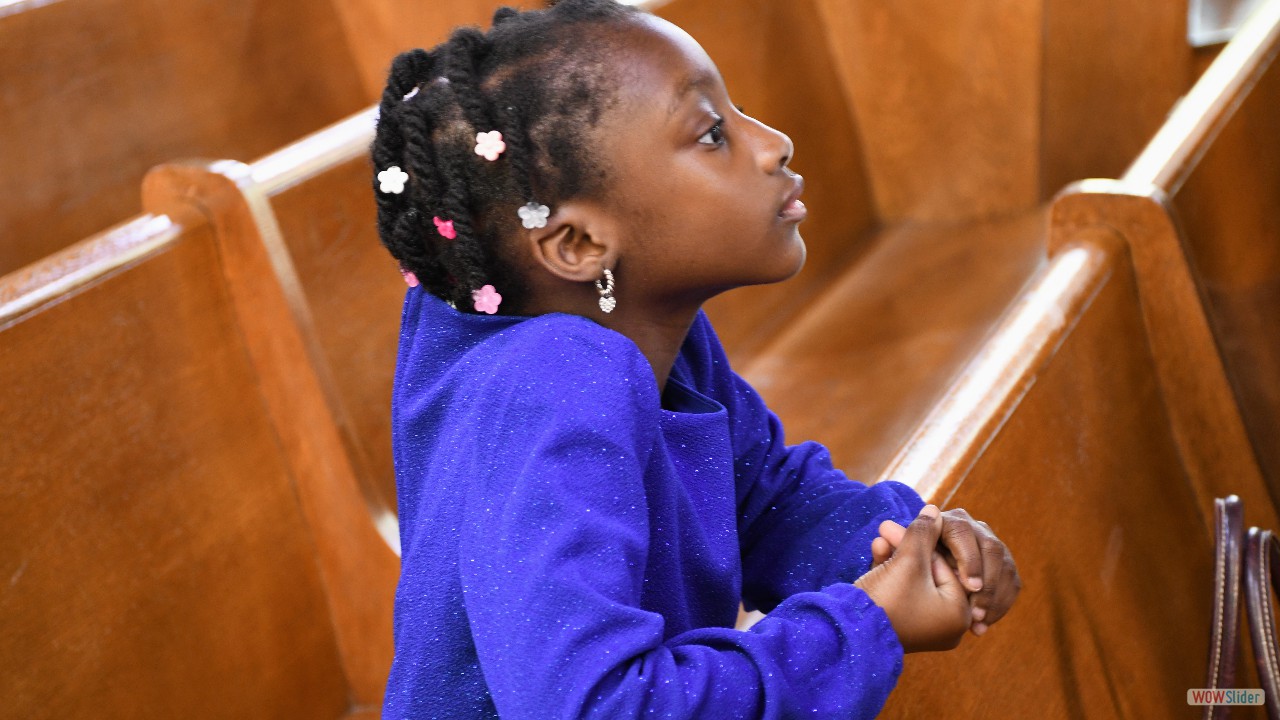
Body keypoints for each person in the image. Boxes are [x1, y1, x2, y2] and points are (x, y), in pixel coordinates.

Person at [370, 1, 1020, 717]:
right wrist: (861, 630)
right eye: (713, 134)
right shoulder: (552, 388)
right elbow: (603, 708)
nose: (775, 144)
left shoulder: (649, 333)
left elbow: (763, 500)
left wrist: (909, 545)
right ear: (578, 245)